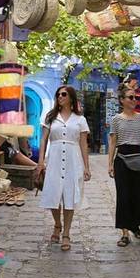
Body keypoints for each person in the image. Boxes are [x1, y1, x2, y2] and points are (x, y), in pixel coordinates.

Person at [37, 85, 92, 251]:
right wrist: (40, 162)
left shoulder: (80, 119)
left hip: (73, 160)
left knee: (69, 196)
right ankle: (57, 224)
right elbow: (44, 140)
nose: (60, 97)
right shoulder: (50, 117)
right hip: (53, 158)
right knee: (53, 194)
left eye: (63, 94)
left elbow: (83, 143)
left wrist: (86, 167)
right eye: (58, 94)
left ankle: (66, 233)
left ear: (71, 98)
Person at [108, 84, 140, 247]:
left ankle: (136, 226)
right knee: (123, 196)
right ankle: (124, 232)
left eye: (135, 97)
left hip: (138, 158)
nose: (134, 100)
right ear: (122, 100)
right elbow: (113, 142)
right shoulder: (116, 119)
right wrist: (110, 164)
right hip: (121, 159)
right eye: (131, 97)